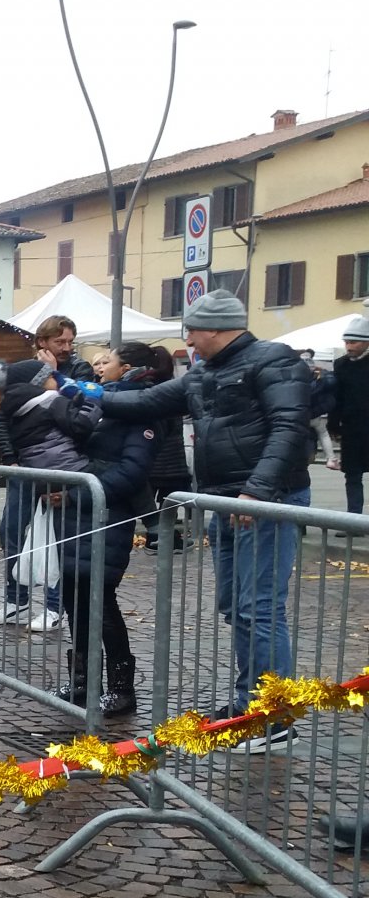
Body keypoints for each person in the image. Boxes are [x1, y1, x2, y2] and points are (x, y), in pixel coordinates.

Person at [100, 289, 312, 747]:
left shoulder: (273, 360)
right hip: (224, 502)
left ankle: (272, 717)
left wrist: (257, 491)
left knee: (260, 609)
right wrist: (83, 393)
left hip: (263, 503)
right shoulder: (203, 374)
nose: (188, 341)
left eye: (192, 331)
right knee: (237, 607)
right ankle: (247, 702)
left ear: (214, 327)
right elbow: (143, 402)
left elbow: (290, 427)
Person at [59, 344, 159, 716]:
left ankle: (121, 687)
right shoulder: (102, 405)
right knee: (74, 596)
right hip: (79, 512)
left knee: (101, 601)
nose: (100, 368)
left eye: (108, 362)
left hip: (106, 514)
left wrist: (82, 491)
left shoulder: (140, 410)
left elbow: (134, 470)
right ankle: (84, 681)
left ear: (127, 367)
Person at [138, 345, 193, 543]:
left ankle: (161, 539)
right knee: (167, 507)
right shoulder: (173, 389)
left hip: (155, 461)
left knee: (150, 507)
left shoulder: (147, 390)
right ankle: (170, 539)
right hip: (173, 462)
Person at [329, 315, 369, 513]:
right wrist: (333, 425)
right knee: (352, 475)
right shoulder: (341, 364)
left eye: (353, 342)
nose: (349, 347)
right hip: (352, 429)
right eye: (346, 342)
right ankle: (354, 519)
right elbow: (337, 397)